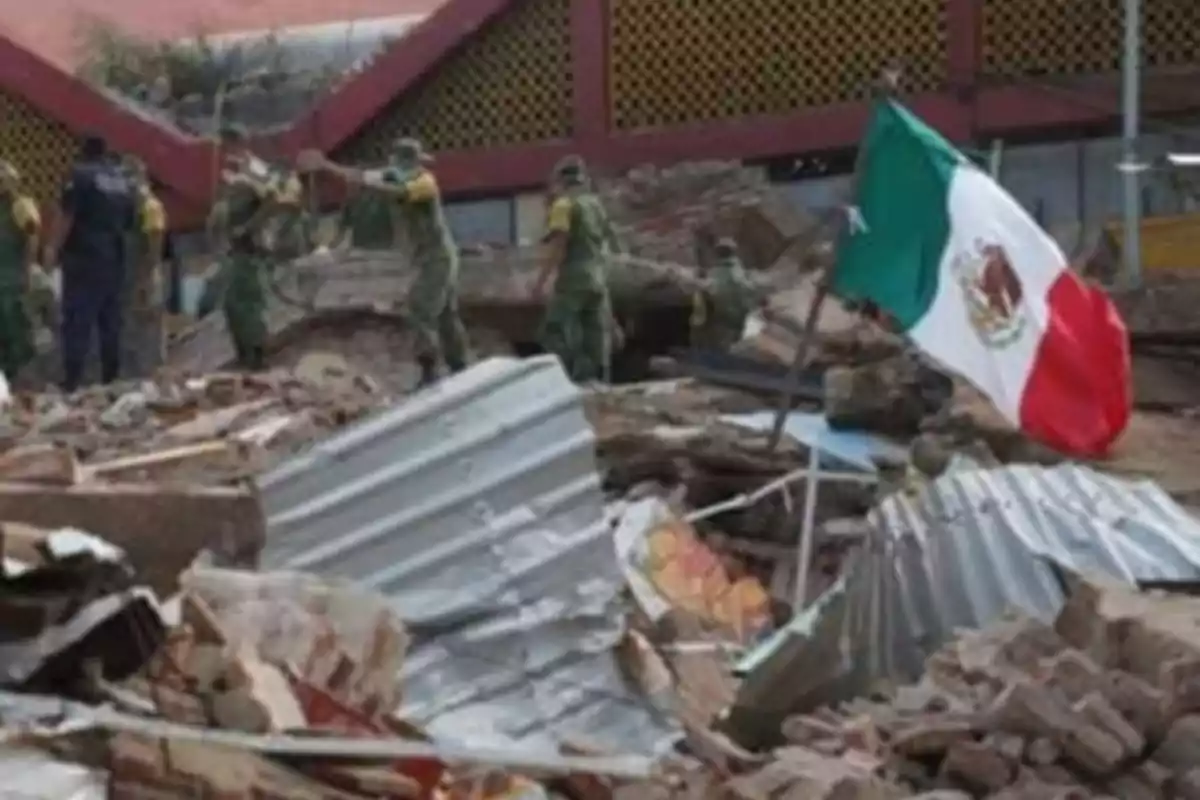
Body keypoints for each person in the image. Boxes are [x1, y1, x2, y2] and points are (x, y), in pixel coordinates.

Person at [312, 137, 469, 388]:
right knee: (445, 315)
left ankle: (430, 369)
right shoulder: (393, 176)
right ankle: (460, 365)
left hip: (437, 256)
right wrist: (328, 167)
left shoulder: (424, 182)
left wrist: (371, 184)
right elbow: (358, 176)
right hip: (426, 257)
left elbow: (399, 192)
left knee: (420, 307)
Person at [43, 134, 136, 392]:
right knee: (111, 320)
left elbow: (67, 215)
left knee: (77, 318)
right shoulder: (122, 180)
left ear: (82, 151)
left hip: (84, 257)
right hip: (115, 256)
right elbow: (131, 220)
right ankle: (111, 378)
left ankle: (71, 381)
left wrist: (52, 248)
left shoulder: (80, 175)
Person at [532, 155, 619, 383]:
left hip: (574, 278)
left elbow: (559, 246)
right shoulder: (595, 204)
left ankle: (566, 379)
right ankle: (598, 380)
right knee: (595, 332)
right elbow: (608, 243)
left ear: (561, 180)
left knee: (555, 330)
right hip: (597, 277)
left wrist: (541, 282)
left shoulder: (564, 205)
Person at [211, 125, 278, 371]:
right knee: (233, 304)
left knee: (248, 302)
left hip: (250, 244)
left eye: (225, 144)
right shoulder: (233, 169)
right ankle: (244, 355)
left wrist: (249, 227)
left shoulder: (253, 168)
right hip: (235, 245)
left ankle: (257, 356)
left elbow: (272, 199)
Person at [120, 157, 167, 377]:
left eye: (131, 176)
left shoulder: (150, 206)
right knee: (130, 326)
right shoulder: (129, 209)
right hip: (129, 275)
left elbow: (155, 241)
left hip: (144, 274)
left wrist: (146, 278)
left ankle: (151, 373)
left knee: (148, 324)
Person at [0, 160, 41, 383]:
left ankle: (20, 376)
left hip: (13, 279)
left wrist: (28, 269)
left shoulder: (20, 205)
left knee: (16, 328)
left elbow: (32, 235)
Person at [689, 237, 759, 350]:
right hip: (735, 322)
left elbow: (711, 295)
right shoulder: (739, 272)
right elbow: (749, 298)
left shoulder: (718, 273)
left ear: (718, 253)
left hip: (721, 321)